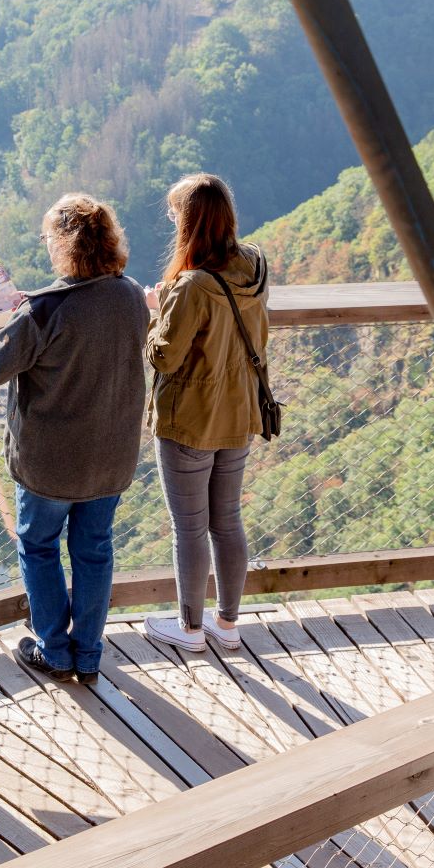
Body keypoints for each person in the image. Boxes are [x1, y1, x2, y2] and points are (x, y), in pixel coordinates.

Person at [0, 194, 148, 685]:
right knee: (94, 549)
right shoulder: (128, 296)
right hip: (111, 458)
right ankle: (87, 654)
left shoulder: (43, 311)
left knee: (39, 546)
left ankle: (55, 651)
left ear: (64, 245)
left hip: (51, 465)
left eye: (47, 239)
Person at [143, 174, 271, 654]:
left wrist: (157, 309)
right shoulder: (254, 266)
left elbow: (164, 358)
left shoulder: (193, 286)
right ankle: (228, 624)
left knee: (190, 527)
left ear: (189, 221)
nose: (172, 220)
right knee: (228, 521)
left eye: (176, 213)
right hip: (240, 414)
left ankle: (191, 630)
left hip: (190, 422)